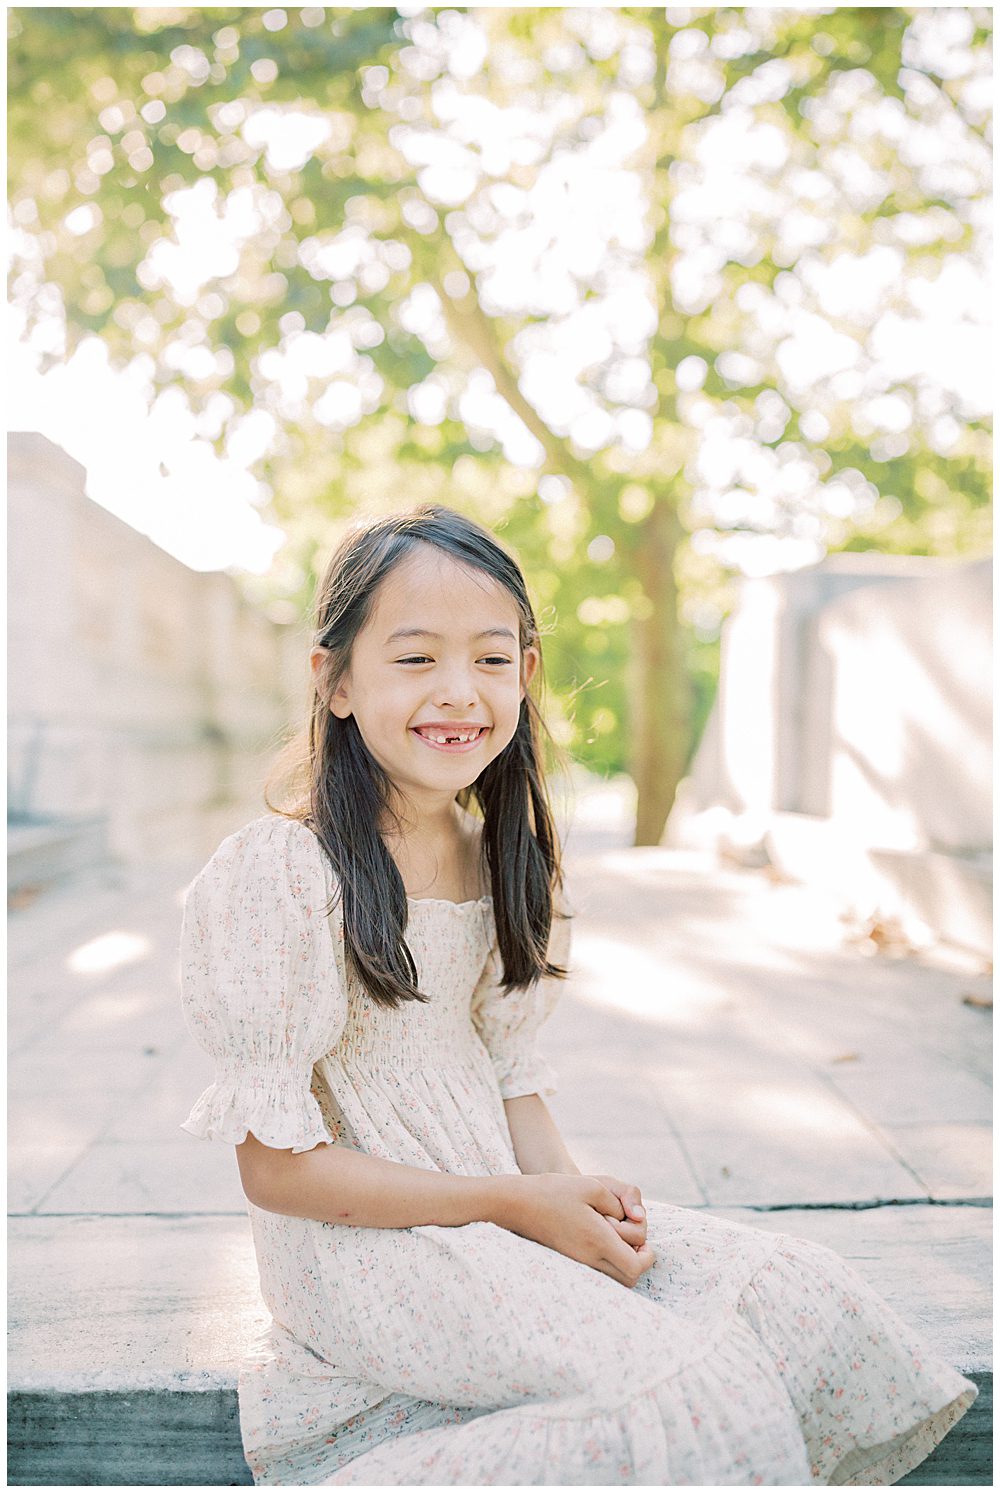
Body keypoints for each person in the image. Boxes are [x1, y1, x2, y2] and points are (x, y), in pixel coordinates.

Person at [179, 504, 977, 1486]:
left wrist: (573, 1203)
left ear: (526, 670)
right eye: (416, 658)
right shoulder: (285, 873)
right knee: (674, 1387)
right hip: (360, 1253)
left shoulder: (501, 858)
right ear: (335, 681)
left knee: (794, 1294)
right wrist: (515, 1204)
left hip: (494, 1205)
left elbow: (509, 1076)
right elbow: (278, 1173)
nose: (459, 692)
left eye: (491, 657)